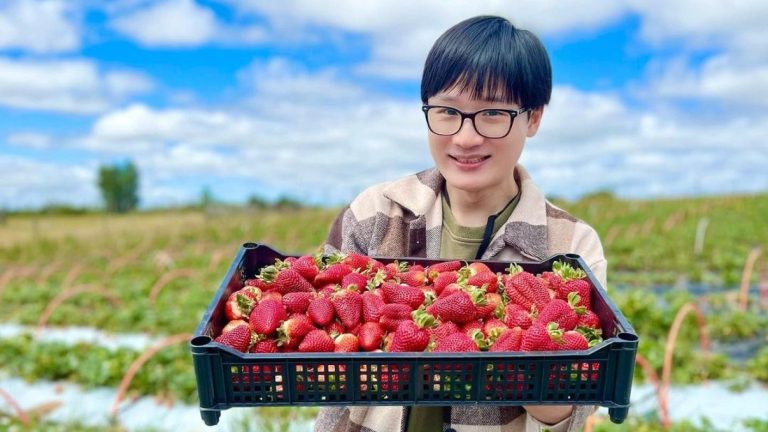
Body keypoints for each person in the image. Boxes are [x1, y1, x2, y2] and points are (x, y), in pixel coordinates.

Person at [315, 15, 606, 432]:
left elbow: (573, 411)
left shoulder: (571, 245)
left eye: (491, 113)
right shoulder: (374, 212)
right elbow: (318, 345)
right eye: (447, 111)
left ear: (534, 118)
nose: (466, 137)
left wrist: (522, 351)